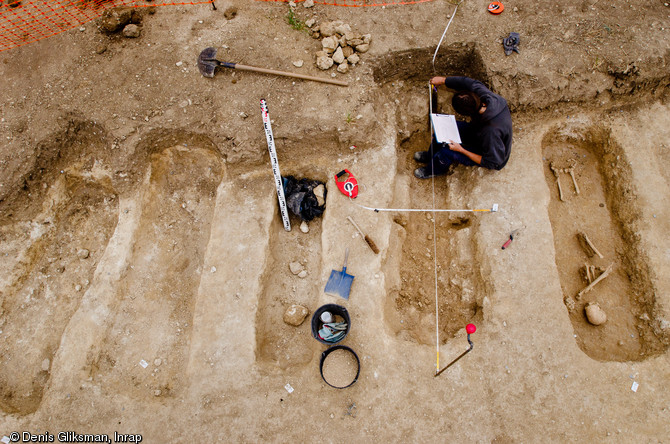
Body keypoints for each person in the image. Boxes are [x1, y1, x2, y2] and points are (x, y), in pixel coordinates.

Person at [414, 76, 512, 179]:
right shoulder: (486, 98)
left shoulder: (491, 131)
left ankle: (432, 170)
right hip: (477, 131)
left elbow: (493, 162)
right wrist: (443, 80)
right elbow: (468, 82)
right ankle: (429, 156)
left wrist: (461, 150)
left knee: (446, 153)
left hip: (486, 151)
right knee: (440, 132)